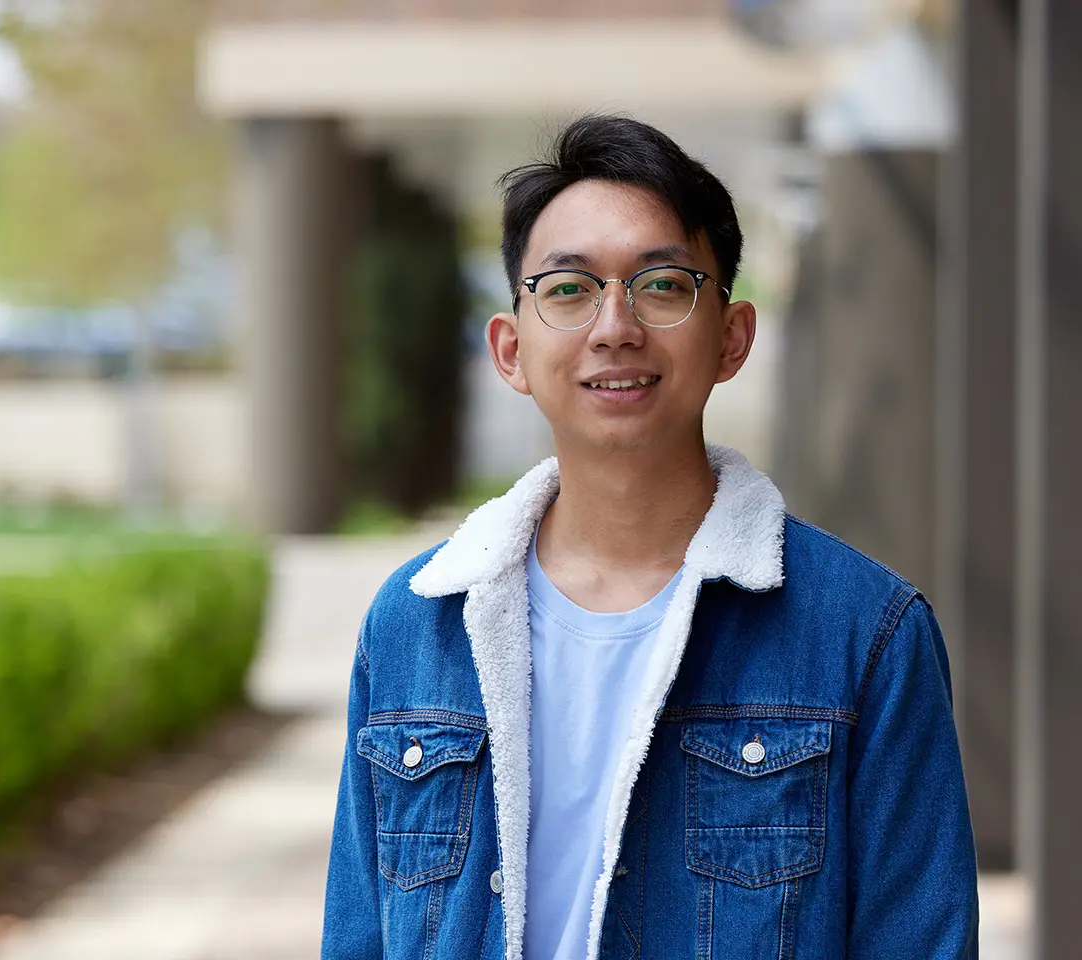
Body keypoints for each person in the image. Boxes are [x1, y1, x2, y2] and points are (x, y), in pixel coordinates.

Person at [320, 114, 978, 960]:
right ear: (511, 350)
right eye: (569, 288)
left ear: (732, 337)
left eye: (662, 284)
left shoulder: (868, 633)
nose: (614, 326)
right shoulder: (412, 628)